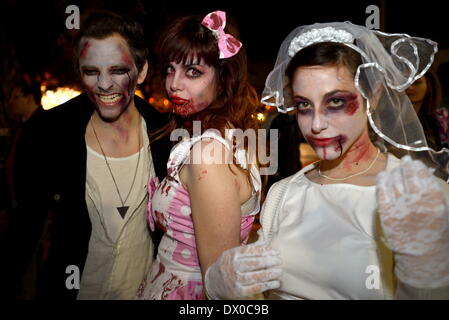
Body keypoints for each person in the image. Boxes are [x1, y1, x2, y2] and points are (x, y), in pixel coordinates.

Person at [204, 22, 449, 300]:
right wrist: (223, 288)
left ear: (374, 95)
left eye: (335, 102)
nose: (316, 125)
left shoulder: (417, 197)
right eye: (304, 106)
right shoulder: (284, 193)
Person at [0, 10, 171, 300]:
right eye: (91, 71)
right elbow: (24, 232)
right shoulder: (48, 132)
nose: (104, 84)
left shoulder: (165, 133)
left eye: (118, 70)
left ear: (141, 72)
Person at [135, 10, 262, 300]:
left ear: (224, 78)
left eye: (193, 72)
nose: (174, 84)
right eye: (170, 68)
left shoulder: (207, 154)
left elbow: (222, 288)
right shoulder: (223, 135)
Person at [406, 68, 449, 149]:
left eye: (417, 83)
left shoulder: (441, 120)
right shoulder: (390, 116)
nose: (410, 87)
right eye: (406, 83)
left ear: (429, 86)